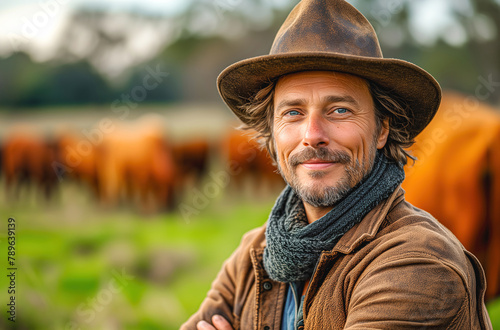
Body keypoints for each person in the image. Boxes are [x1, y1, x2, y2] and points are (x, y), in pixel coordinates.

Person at [182, 0, 493, 329]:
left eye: (339, 110)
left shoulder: (419, 262)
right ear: (272, 133)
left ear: (381, 129)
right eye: (293, 113)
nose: (313, 135)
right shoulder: (253, 254)